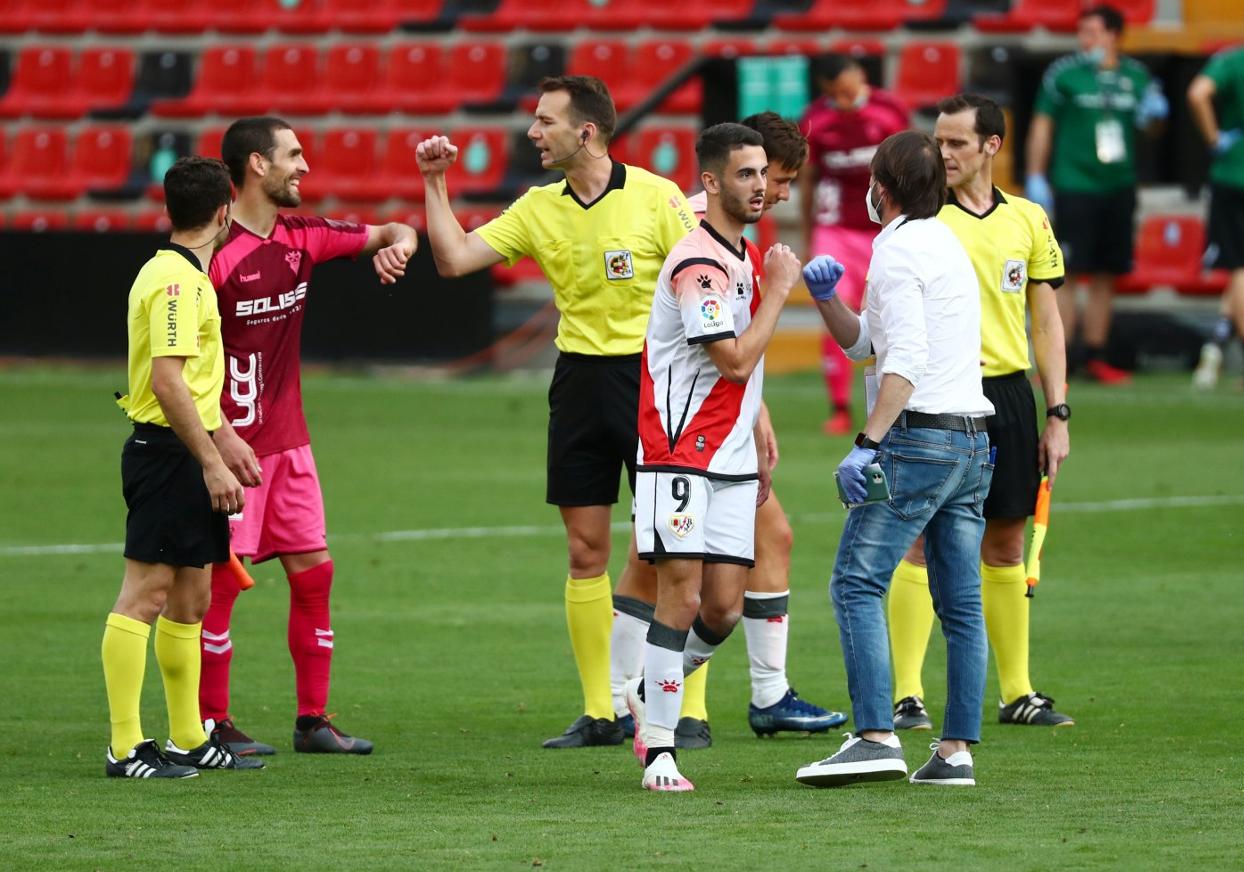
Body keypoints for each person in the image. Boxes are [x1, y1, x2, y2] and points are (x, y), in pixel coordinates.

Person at [415, 76, 698, 749]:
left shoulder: (659, 199)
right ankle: (600, 709)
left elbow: (709, 277)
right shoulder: (539, 207)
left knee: (667, 549)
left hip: (655, 382)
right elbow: (454, 259)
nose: (534, 133)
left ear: (587, 132)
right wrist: (434, 183)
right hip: (577, 384)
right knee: (584, 550)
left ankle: (674, 705)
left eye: (545, 122)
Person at [610, 112, 845, 748]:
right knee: (666, 577)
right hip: (678, 424)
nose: (778, 191)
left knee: (712, 593)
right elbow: (714, 337)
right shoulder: (696, 228)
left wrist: (756, 410)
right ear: (727, 174)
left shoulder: (742, 238)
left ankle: (649, 692)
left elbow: (736, 343)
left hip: (728, 428)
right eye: (771, 175)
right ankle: (646, 711)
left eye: (782, 180)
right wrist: (775, 299)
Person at [199, 117, 418, 756]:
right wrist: (214, 441)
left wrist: (396, 245)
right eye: (294, 155)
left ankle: (312, 721)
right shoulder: (212, 255)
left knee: (314, 575)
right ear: (257, 166)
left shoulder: (304, 236)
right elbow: (178, 362)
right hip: (226, 450)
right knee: (217, 588)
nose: (305, 167)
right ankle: (212, 723)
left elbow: (395, 226)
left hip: (290, 446)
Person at [794, 130, 994, 788]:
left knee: (856, 582)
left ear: (883, 186)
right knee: (961, 604)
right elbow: (867, 346)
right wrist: (829, 301)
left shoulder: (898, 250)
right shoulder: (943, 243)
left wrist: (866, 443)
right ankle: (955, 753)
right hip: (971, 442)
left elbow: (900, 363)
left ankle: (876, 734)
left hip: (919, 439)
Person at [888, 94, 1074, 734]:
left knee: (1005, 541)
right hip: (939, 395)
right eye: (938, 142)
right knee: (916, 541)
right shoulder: (922, 221)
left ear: (991, 145)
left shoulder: (1027, 219)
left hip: (1009, 395)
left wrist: (1058, 412)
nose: (943, 154)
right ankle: (906, 694)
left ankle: (1017, 691)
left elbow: (1045, 320)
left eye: (956, 143)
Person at [104, 156, 264, 778]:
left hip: (190, 448)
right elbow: (167, 382)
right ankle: (124, 746)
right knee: (144, 595)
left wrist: (225, 438)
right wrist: (210, 462)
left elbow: (190, 385)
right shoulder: (177, 282)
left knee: (192, 598)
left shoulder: (184, 273)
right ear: (225, 212)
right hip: (167, 456)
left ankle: (187, 737)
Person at [1025, 4, 1169, 385]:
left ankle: (1096, 354)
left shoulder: (1137, 77)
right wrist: (1036, 175)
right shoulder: (1065, 74)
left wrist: (1154, 115)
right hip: (1075, 184)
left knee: (1107, 273)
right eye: (1082, 31)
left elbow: (1153, 129)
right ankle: (1061, 357)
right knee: (1067, 273)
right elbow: (1043, 125)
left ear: (1114, 36)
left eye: (1093, 32)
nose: (1084, 39)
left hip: (1119, 186)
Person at [799, 54, 910, 435]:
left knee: (887, 315)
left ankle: (891, 401)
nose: (842, 102)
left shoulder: (890, 111)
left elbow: (910, 166)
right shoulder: (815, 118)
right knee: (834, 307)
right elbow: (809, 177)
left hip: (882, 228)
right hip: (834, 227)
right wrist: (807, 226)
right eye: (835, 95)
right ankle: (840, 406)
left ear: (859, 77)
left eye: (847, 92)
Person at [1188, 45, 1244, 390]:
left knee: (1240, 266)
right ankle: (1216, 348)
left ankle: (1226, 349)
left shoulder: (1233, 61)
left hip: (1236, 174)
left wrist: (1214, 138)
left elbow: (1198, 93)